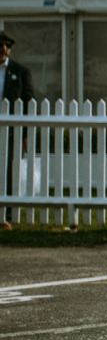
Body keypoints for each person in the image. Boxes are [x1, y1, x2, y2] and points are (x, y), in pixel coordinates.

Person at [1, 29, 35, 229]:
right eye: (0, 45)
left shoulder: (20, 72)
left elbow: (28, 102)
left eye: (7, 46)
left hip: (12, 131)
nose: (3, 49)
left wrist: (26, 134)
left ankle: (8, 213)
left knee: (9, 172)